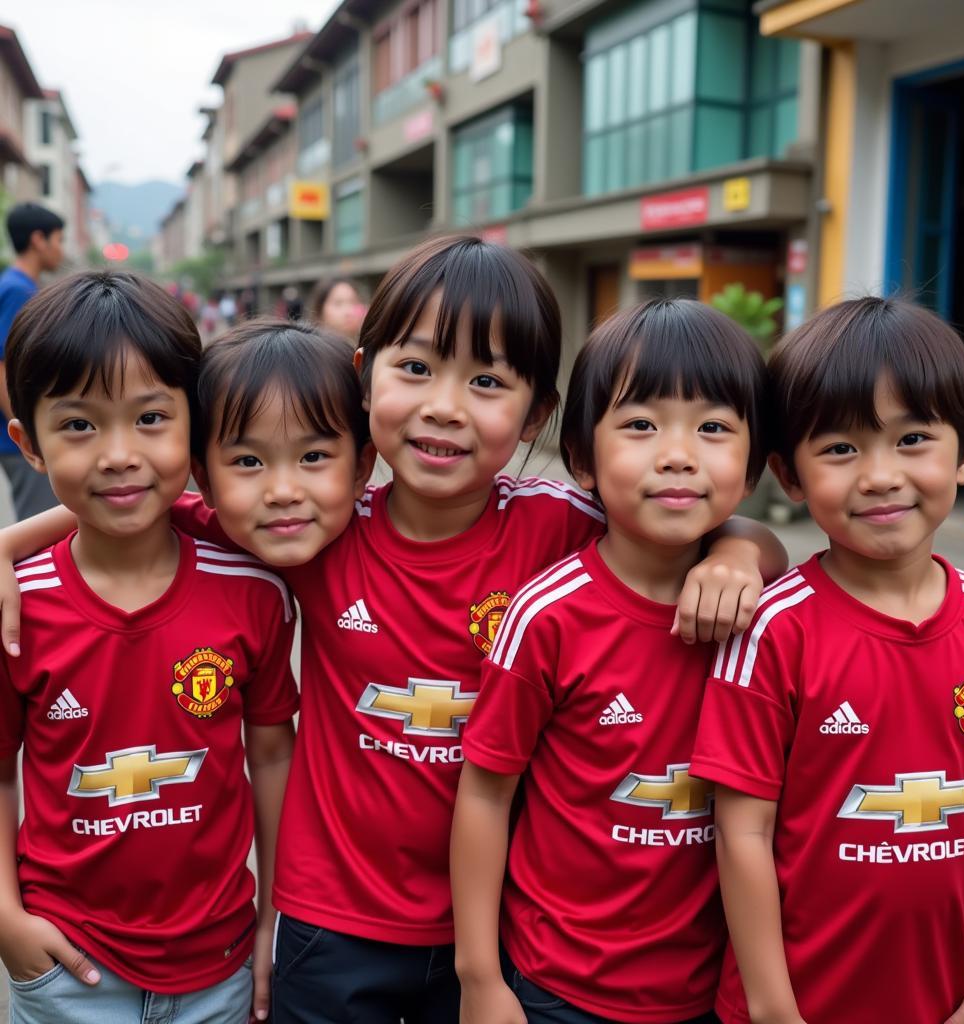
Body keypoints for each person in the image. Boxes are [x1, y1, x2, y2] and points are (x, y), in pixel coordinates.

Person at [0, 237, 784, 1023]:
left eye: (485, 380)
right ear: (364, 378)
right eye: (416, 369)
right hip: (330, 919)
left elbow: (684, 519)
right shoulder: (318, 521)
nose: (445, 404)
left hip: (498, 925)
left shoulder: (562, 526)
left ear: (538, 414)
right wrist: (7, 547)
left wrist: (744, 549)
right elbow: (143, 490)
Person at [690, 297, 964, 1024]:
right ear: (789, 475)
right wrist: (774, 1009)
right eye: (840, 449)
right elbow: (740, 832)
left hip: (938, 1003)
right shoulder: (773, 630)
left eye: (912, 440)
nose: (878, 476)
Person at [452, 299, 769, 1024]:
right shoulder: (547, 616)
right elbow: (485, 793)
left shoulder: (769, 617)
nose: (679, 453)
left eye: (714, 428)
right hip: (557, 988)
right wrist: (479, 979)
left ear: (753, 466)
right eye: (641, 425)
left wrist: (748, 551)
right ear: (581, 460)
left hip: (710, 989)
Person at [0, 272, 299, 1024]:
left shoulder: (253, 587)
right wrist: (7, 922)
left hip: (219, 964)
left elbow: (270, 753)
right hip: (66, 965)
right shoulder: (16, 607)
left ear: (195, 427)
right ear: (26, 444)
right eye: (78, 425)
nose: (119, 455)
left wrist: (274, 918)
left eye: (152, 417)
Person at [0, 203, 64, 520]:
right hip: (20, 439)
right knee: (39, 525)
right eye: (58, 240)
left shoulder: (19, 286)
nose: (60, 250)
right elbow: (3, 365)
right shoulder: (18, 291)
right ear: (39, 240)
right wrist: (30, 432)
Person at [310, 273, 367, 340]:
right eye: (338, 303)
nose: (348, 311)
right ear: (320, 309)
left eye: (353, 302)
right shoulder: (311, 347)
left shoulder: (368, 346)